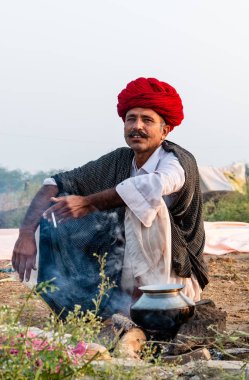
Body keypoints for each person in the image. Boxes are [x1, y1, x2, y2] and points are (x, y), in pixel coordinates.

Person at [12, 77, 208, 319]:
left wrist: (88, 203)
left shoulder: (177, 161)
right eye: (131, 119)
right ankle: (89, 305)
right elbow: (55, 183)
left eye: (147, 120)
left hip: (174, 278)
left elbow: (151, 186)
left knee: (147, 207)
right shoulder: (120, 159)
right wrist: (25, 234)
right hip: (123, 272)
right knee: (55, 212)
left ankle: (147, 306)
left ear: (164, 130)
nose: (137, 126)